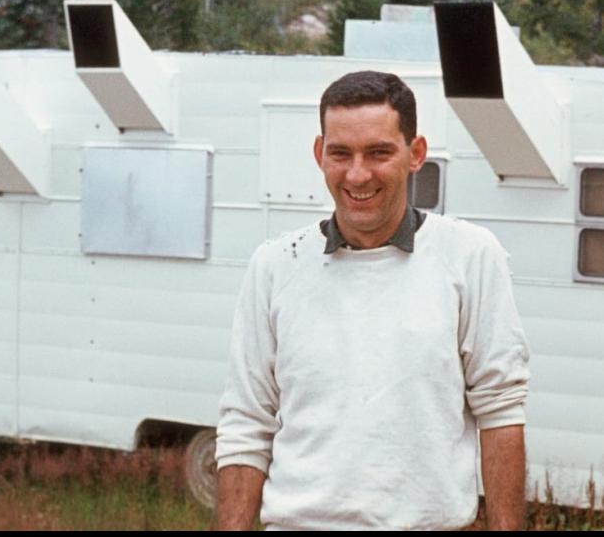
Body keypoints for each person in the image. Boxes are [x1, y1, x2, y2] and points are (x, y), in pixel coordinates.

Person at [214, 70, 530, 531]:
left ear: (415, 154)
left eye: (379, 153)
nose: (357, 174)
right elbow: (246, 424)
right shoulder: (276, 265)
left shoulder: (470, 257)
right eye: (341, 154)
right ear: (320, 154)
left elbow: (501, 411)